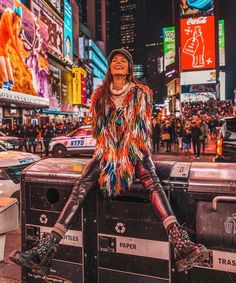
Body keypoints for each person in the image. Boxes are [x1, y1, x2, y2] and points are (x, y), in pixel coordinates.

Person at [10, 49, 209, 275]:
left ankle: (181, 243)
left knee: (150, 178)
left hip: (133, 148)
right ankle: (46, 249)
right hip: (108, 150)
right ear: (110, 68)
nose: (118, 63)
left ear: (129, 68)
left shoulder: (140, 93)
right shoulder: (100, 95)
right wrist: (112, 149)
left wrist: (123, 150)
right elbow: (100, 129)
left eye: (123, 61)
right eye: (114, 60)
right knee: (81, 185)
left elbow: (138, 127)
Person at [0, 0, 26, 90]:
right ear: (14, 13)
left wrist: (22, 59)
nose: (18, 19)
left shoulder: (18, 24)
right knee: (2, 61)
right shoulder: (8, 13)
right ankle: (5, 83)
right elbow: (12, 38)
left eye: (20, 17)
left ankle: (8, 83)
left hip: (3, 46)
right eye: (17, 16)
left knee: (11, 81)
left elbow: (17, 44)